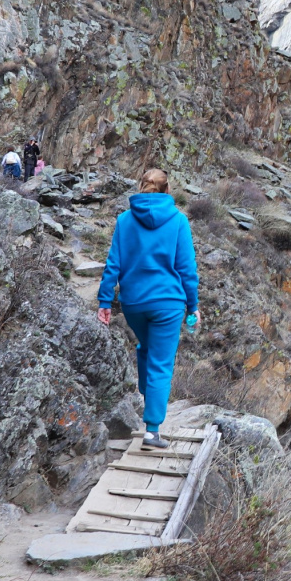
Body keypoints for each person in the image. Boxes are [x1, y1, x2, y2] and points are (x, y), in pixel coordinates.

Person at [97, 168, 199, 452]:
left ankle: (147, 393)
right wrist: (193, 305)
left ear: (140, 186)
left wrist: (105, 301)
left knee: (145, 348)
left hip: (134, 303)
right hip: (168, 303)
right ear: (168, 190)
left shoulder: (124, 220)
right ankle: (152, 431)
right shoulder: (178, 220)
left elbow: (113, 264)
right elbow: (187, 269)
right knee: (161, 363)